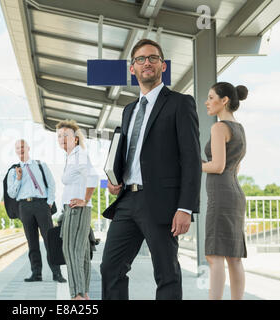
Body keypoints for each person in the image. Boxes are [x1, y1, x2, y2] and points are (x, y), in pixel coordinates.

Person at [100, 38, 202, 300]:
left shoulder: (180, 103)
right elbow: (129, 153)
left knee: (166, 273)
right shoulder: (129, 110)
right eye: (140, 59)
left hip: (162, 202)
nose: (147, 63)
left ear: (163, 66)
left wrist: (185, 207)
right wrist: (116, 179)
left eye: (153, 58)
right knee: (110, 267)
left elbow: (191, 159)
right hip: (127, 201)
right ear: (132, 68)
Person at [202, 82, 248, 300]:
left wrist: (194, 164)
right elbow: (235, 166)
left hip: (221, 195)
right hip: (235, 192)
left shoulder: (219, 127)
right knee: (233, 256)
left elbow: (217, 166)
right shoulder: (239, 128)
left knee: (214, 254)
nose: (207, 102)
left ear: (225, 100)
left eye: (211, 97)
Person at [7, 139, 66, 283]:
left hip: (41, 205)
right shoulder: (13, 171)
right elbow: (12, 194)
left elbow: (51, 183)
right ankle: (36, 273)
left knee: (49, 240)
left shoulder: (40, 165)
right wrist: (19, 179)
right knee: (32, 242)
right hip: (24, 207)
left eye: (22, 146)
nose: (20, 149)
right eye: (17, 148)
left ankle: (57, 273)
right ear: (15, 151)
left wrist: (49, 202)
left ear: (28, 148)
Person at [56, 119, 98, 300]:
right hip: (74, 209)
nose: (62, 139)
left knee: (71, 249)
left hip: (76, 209)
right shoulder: (72, 155)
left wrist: (84, 200)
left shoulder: (79, 154)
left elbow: (93, 177)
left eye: (66, 135)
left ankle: (77, 296)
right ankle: (83, 294)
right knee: (79, 251)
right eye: (59, 136)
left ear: (75, 139)